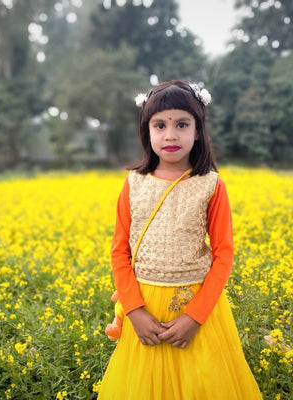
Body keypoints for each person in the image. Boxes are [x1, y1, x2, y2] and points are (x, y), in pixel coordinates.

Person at [99, 80, 262, 400]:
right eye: (159, 125)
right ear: (147, 132)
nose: (170, 134)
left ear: (198, 131)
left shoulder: (212, 186)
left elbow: (224, 255)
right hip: (144, 308)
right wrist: (134, 311)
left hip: (197, 309)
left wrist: (194, 318)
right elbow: (120, 251)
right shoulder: (133, 183)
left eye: (182, 124)